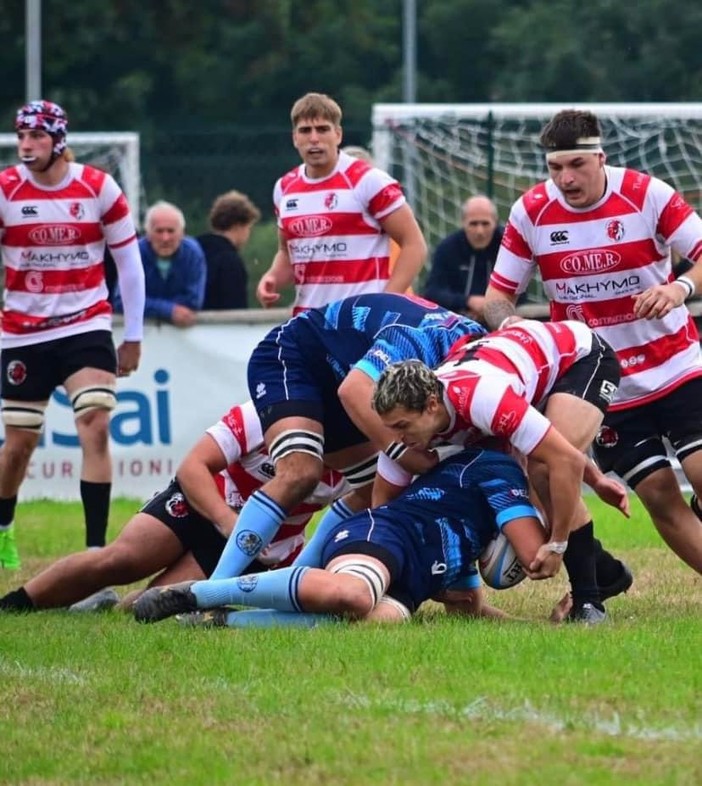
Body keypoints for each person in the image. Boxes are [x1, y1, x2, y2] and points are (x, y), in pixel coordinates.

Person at [484, 108, 702, 578]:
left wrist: (677, 288)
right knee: (659, 495)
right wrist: (510, 326)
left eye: (576, 165)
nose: (565, 178)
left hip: (676, 365)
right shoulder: (531, 212)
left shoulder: (646, 195)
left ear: (600, 158)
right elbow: (497, 297)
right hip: (602, 381)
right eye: (555, 168)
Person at [201, 292, 487, 583]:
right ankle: (210, 592)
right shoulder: (417, 339)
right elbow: (353, 390)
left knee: (372, 490)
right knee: (301, 472)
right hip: (294, 358)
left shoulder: (475, 355)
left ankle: (290, 581)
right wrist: (401, 452)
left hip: (343, 375)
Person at [371, 319, 631, 623]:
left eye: (402, 426)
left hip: (579, 357)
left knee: (543, 471)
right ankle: (607, 571)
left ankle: (589, 603)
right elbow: (384, 510)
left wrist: (558, 542)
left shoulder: (482, 399)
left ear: (431, 405)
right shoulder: (413, 428)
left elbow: (566, 460)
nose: (397, 440)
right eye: (391, 428)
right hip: (513, 374)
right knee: (520, 476)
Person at [133, 446, 549, 627]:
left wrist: (542, 625)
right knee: (354, 596)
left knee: (375, 624)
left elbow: (470, 610)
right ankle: (202, 594)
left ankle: (226, 624)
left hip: (408, 582)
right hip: (383, 535)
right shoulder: (496, 468)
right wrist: (559, 544)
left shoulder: (469, 539)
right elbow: (533, 552)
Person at [0, 399, 346, 612]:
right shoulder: (266, 413)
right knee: (121, 560)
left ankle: (108, 607)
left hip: (259, 548)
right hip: (203, 503)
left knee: (153, 606)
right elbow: (192, 466)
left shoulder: (358, 454)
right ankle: (14, 605)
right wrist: (230, 522)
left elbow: (364, 508)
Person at [0, 100, 145, 569]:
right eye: (21, 136)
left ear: (58, 140)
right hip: (22, 331)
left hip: (86, 324)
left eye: (37, 136)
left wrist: (134, 335)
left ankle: (95, 555)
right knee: (19, 446)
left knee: (96, 425)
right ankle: (4, 531)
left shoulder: (98, 187)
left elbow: (129, 264)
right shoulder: (4, 190)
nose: (26, 145)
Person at [256, 92, 426, 314]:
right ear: (295, 138)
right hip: (308, 323)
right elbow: (288, 253)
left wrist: (384, 303)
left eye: (323, 129)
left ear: (338, 134)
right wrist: (272, 277)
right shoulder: (285, 188)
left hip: (358, 321)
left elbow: (415, 245)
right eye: (305, 131)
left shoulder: (368, 181)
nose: (314, 138)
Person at [114, 200, 206, 327]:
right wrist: (168, 310)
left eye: (171, 231)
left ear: (182, 233)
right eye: (159, 231)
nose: (165, 238)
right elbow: (122, 301)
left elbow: (193, 300)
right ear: (148, 234)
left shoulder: (193, 254)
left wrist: (147, 304)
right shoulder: (134, 254)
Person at [422, 195, 504, 323]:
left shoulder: (506, 246)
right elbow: (433, 291)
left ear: (495, 222)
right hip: (456, 322)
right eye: (473, 224)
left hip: (501, 319)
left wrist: (492, 305)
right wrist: (468, 301)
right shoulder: (447, 248)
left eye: (485, 223)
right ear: (463, 222)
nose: (479, 231)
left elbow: (520, 291)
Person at [197, 190, 260, 310]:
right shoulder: (230, 261)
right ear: (238, 225)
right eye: (248, 227)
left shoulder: (193, 250)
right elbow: (236, 308)